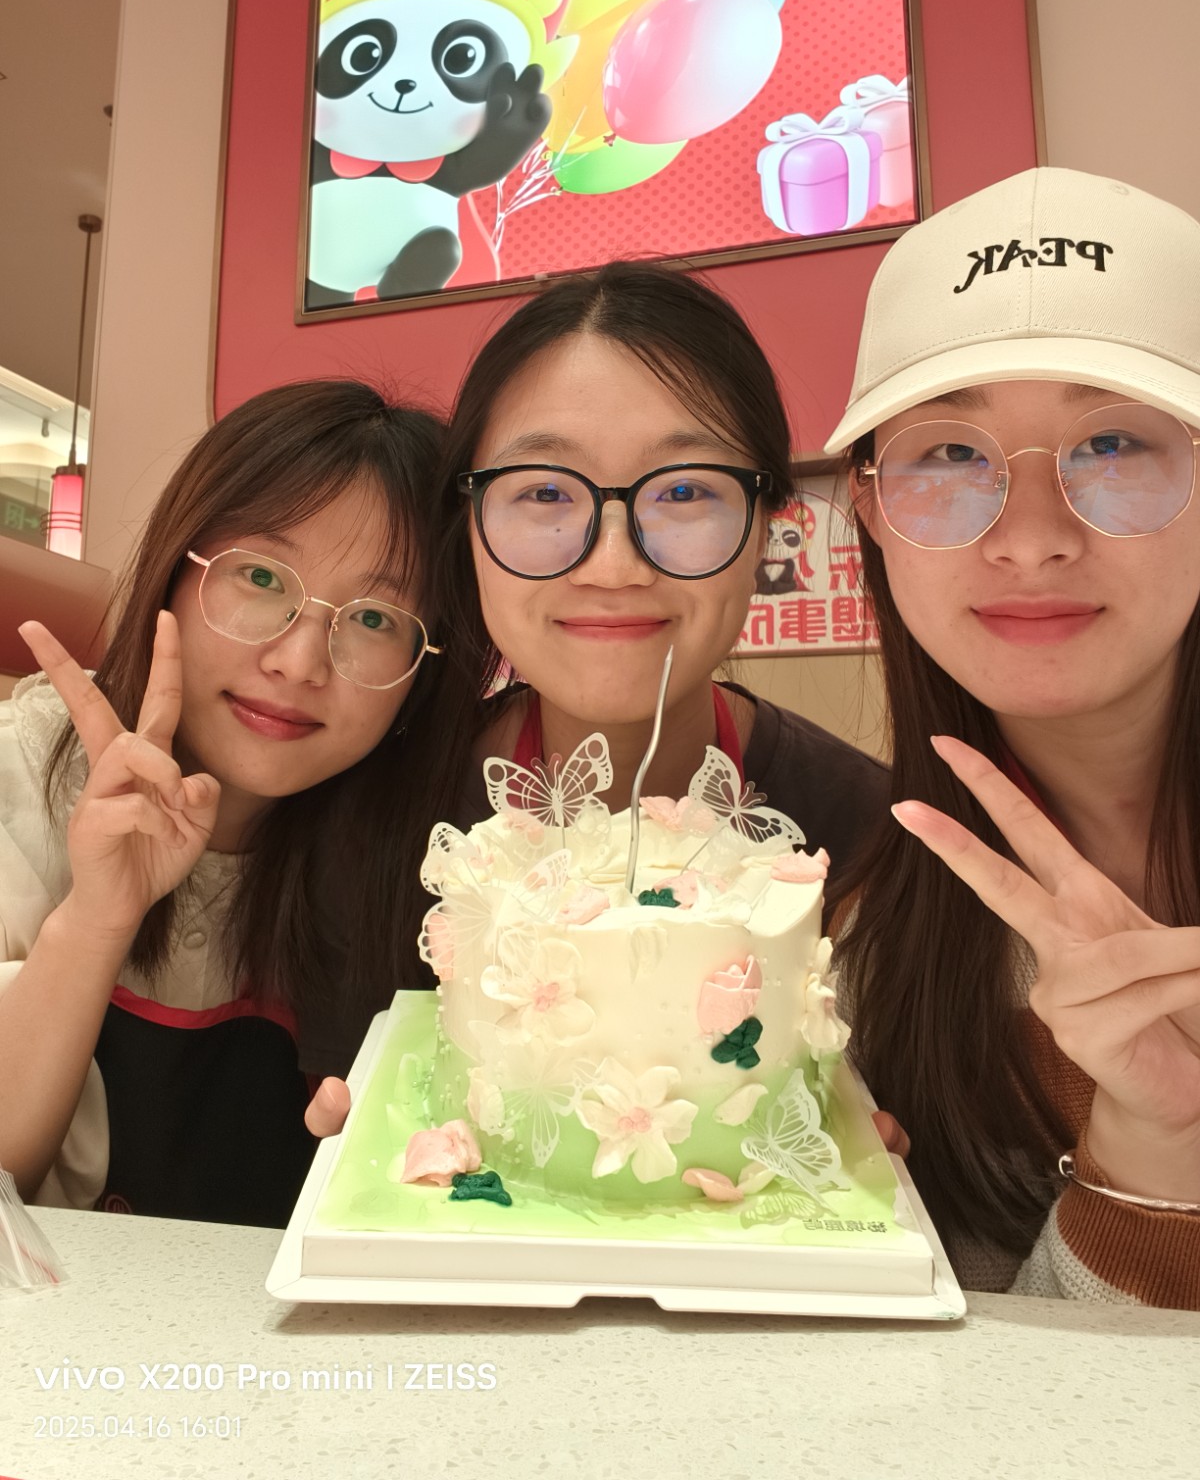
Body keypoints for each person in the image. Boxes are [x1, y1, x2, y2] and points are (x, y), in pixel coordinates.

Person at [304, 260, 891, 1137]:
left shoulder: (871, 835)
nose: (613, 565)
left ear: (771, 525)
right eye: (544, 491)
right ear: (469, 525)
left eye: (684, 490)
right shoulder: (369, 824)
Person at [825, 167, 1200, 1307]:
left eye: (1114, 443)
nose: (1031, 539)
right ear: (869, 507)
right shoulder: (874, 964)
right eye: (950, 455)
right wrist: (1155, 1158)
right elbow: (995, 1387)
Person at [0, 381, 473, 1227]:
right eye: (260, 576)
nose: (299, 661)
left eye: (374, 618)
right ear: (174, 574)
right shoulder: (24, 777)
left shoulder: (427, 864)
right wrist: (95, 921)